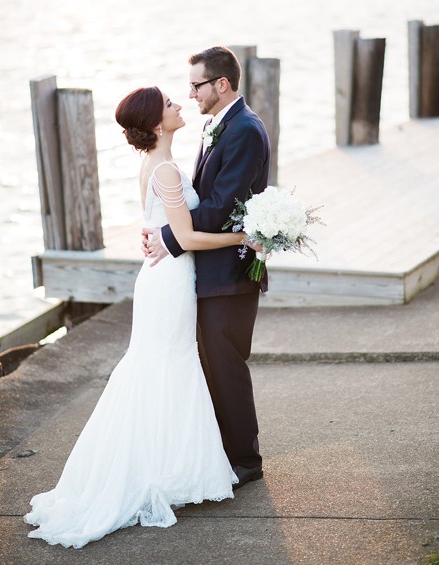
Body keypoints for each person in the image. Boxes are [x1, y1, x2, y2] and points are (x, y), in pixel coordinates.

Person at [25, 85, 258, 548]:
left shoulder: (155, 164)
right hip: (169, 280)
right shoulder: (167, 169)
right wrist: (242, 238)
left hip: (162, 277)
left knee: (160, 366)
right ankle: (161, 471)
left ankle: (163, 464)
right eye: (169, 104)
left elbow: (160, 226)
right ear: (156, 122)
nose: (177, 105)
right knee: (168, 365)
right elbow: (187, 238)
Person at [142, 47, 270, 490]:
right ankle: (222, 452)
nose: (190, 93)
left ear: (222, 84)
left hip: (230, 275)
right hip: (208, 271)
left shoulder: (244, 130)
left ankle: (245, 461)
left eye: (197, 84)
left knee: (226, 364)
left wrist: (169, 235)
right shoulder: (218, 126)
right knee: (213, 365)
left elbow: (220, 209)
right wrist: (166, 230)